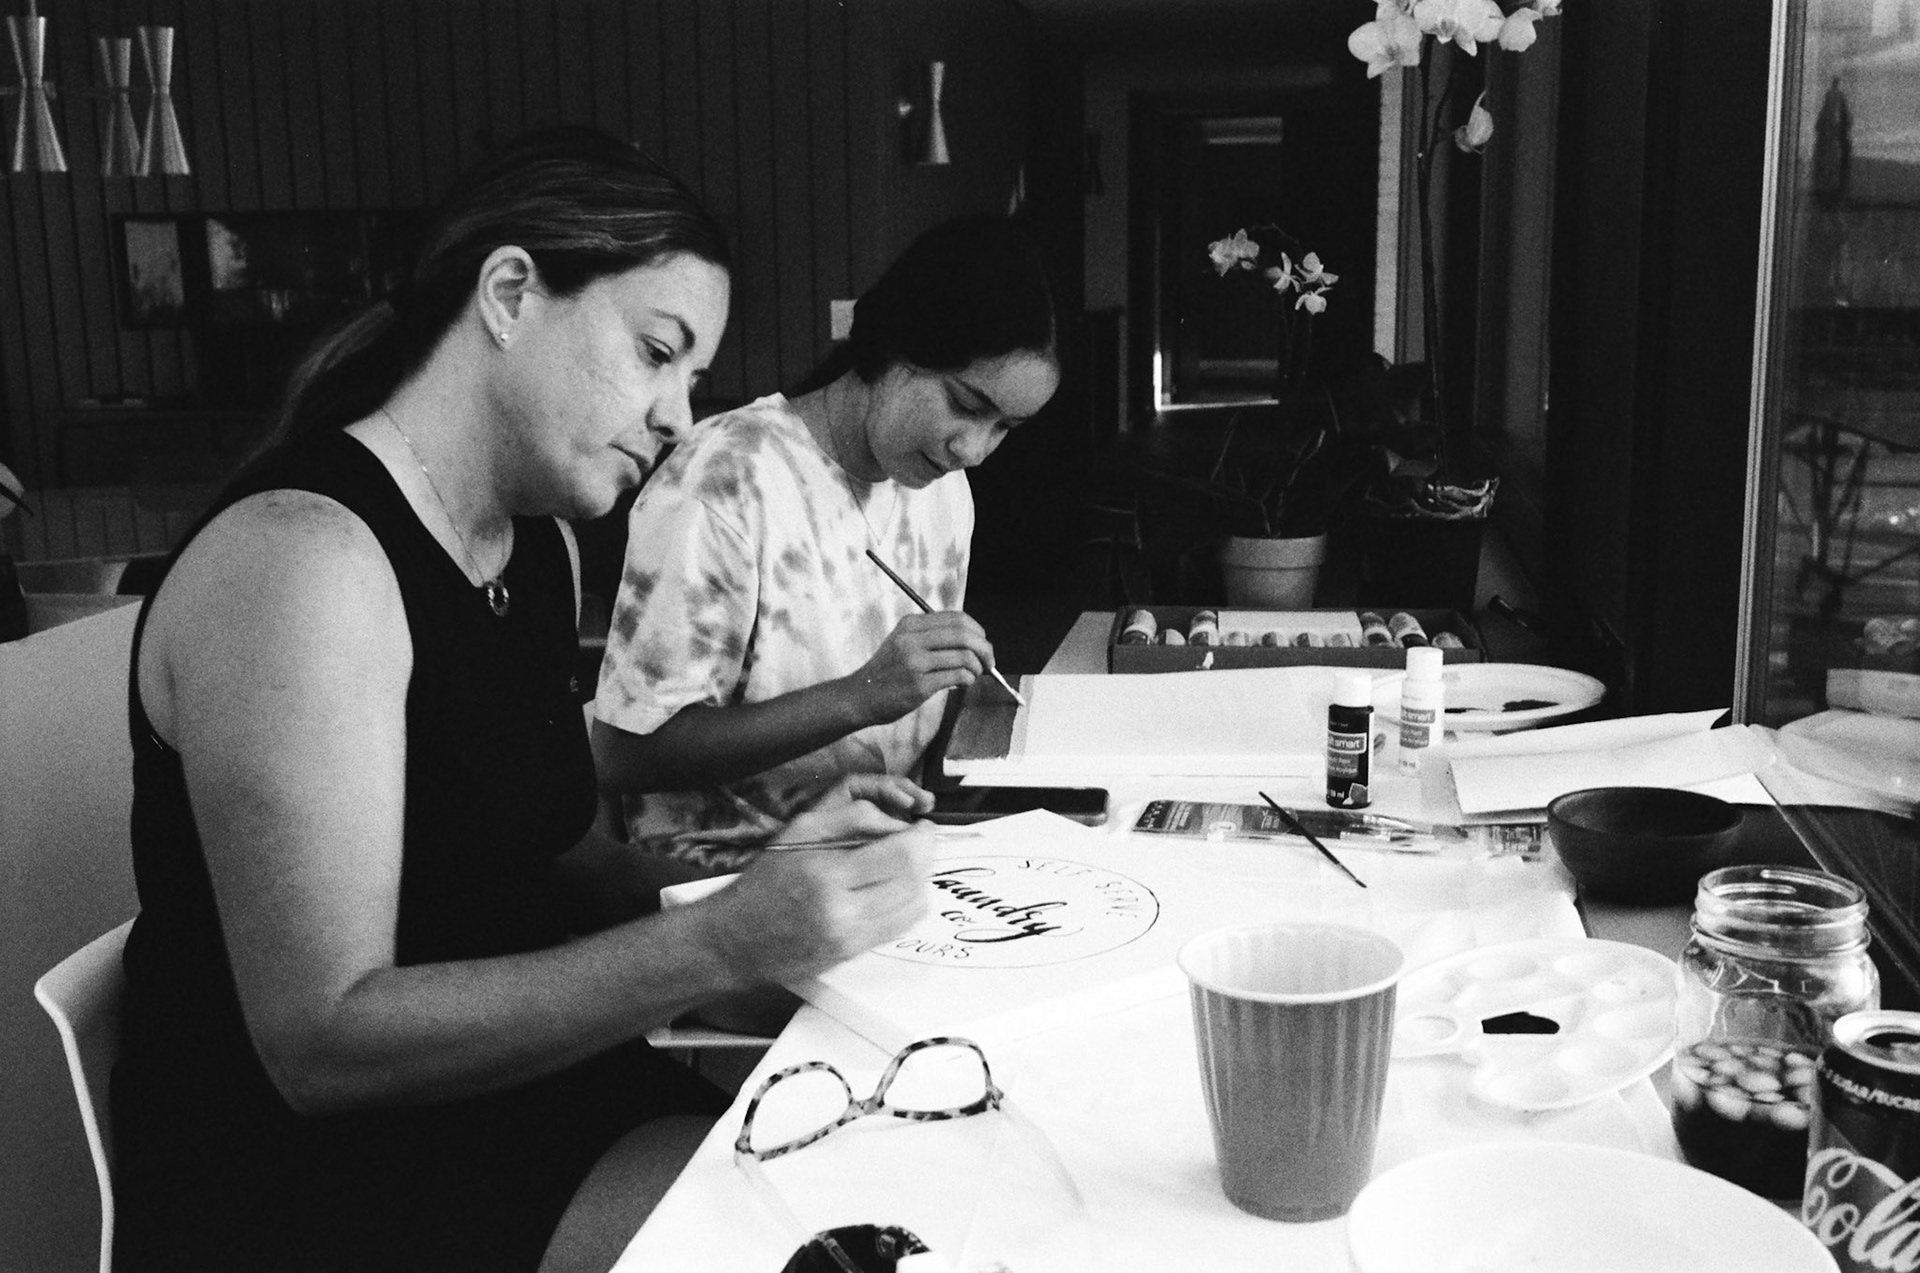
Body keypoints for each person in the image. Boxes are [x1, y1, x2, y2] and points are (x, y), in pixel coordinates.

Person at [110, 127, 936, 1273]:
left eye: (691, 377)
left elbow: (566, 855)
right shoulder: (304, 560)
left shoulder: (534, 544)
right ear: (509, 294)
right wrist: (717, 941)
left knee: (910, 1187)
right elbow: (321, 1044)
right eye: (657, 351)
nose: (679, 415)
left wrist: (768, 874)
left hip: (520, 1089)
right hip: (310, 1178)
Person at [591, 214, 1059, 869]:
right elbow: (623, 754)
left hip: (874, 856)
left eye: (1006, 426)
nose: (974, 449)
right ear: (895, 345)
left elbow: (910, 731)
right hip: (721, 880)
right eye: (965, 404)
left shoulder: (945, 491)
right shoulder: (727, 476)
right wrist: (860, 694)